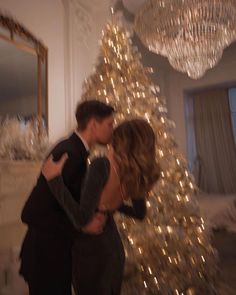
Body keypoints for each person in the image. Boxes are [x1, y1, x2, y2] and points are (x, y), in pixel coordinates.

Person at [42, 118, 160, 295]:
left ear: (122, 142)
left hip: (91, 250)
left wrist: (54, 180)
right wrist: (107, 206)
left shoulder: (102, 165)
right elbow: (139, 213)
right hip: (113, 247)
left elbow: (81, 218)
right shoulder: (136, 173)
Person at [19, 100, 115, 295]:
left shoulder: (77, 152)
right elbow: (31, 213)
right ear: (94, 125)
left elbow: (66, 204)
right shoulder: (68, 153)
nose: (113, 130)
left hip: (54, 255)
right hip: (46, 258)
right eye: (110, 124)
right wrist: (82, 226)